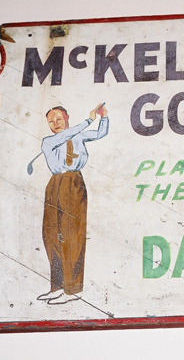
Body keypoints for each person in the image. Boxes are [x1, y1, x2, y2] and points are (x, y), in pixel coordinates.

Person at [36, 104, 108, 304]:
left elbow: (101, 133)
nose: (55, 123)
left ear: (66, 116)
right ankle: (57, 286)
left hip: (73, 182)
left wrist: (103, 118)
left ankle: (73, 289)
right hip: (54, 184)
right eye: (51, 121)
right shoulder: (49, 141)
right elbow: (65, 137)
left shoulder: (78, 135)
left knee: (72, 234)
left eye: (58, 118)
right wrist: (88, 120)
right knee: (51, 236)